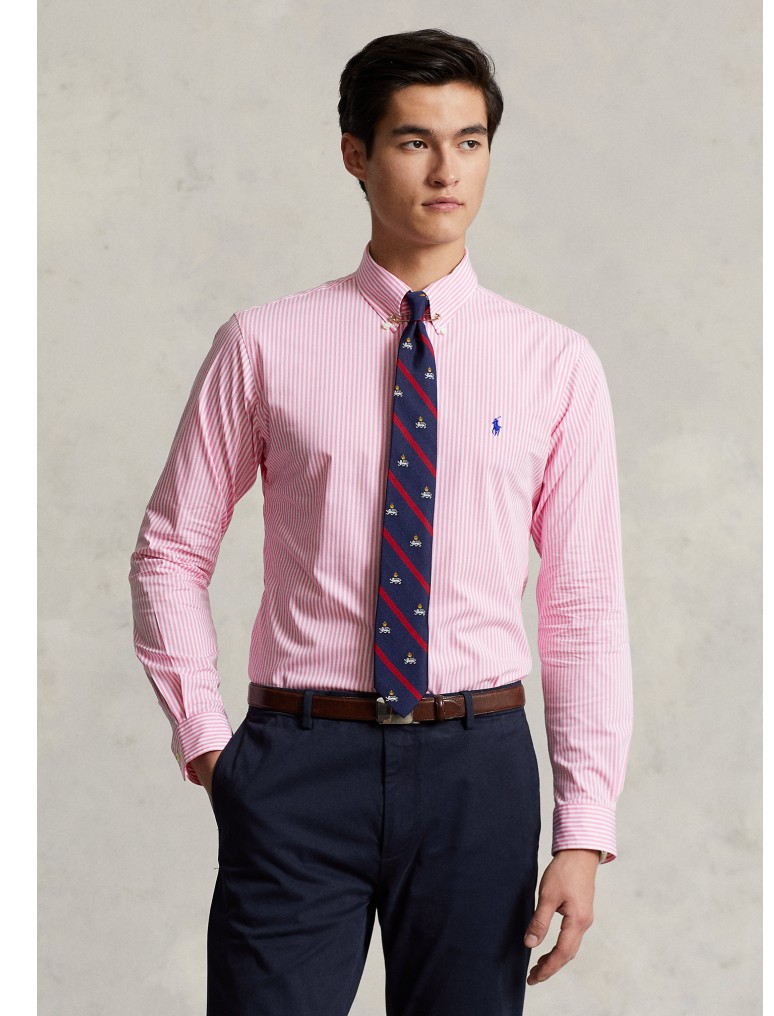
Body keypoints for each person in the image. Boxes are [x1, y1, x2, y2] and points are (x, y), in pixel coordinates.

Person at [129, 27, 633, 1016]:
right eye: (414, 141)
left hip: (478, 768)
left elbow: (581, 603)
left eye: (470, 141)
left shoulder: (554, 363)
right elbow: (171, 549)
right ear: (354, 154)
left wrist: (583, 828)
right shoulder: (264, 343)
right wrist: (207, 741)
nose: (447, 170)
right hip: (298, 759)